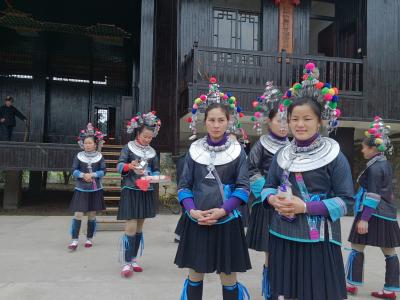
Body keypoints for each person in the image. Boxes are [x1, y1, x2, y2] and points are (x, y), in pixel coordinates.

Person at [262, 63, 353, 299]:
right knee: (285, 292)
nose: (300, 125)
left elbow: (346, 202)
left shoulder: (334, 156)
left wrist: (305, 207)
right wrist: (273, 199)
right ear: (288, 121)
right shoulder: (281, 155)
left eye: (307, 119)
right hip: (281, 234)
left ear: (319, 121)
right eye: (294, 119)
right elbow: (267, 187)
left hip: (318, 240)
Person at [176, 102, 251, 300]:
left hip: (226, 221)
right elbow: (184, 187)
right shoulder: (194, 150)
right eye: (212, 120)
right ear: (205, 122)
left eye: (221, 120)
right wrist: (192, 211)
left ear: (228, 122)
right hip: (196, 220)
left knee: (228, 275)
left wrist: (223, 210)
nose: (216, 125)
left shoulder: (238, 152)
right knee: (195, 272)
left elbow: (243, 189)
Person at [346, 116, 400, 299]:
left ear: (373, 148)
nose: (362, 150)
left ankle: (352, 284)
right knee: (387, 252)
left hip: (373, 213)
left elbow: (373, 195)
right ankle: (390, 289)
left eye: (364, 147)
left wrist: (364, 219)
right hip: (386, 213)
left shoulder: (375, 168)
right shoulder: (383, 164)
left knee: (358, 247)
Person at [247, 82, 289, 300]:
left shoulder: (294, 145)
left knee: (288, 249)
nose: (283, 125)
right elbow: (251, 170)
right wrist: (269, 193)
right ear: (269, 122)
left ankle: (285, 288)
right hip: (269, 202)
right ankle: (272, 291)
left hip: (290, 204)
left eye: (286, 121)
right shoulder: (261, 145)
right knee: (271, 251)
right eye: (279, 120)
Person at [117, 111, 161, 278]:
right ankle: (126, 262)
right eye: (145, 136)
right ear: (138, 133)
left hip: (145, 190)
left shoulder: (152, 152)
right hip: (130, 188)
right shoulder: (128, 147)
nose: (147, 140)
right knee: (131, 224)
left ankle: (134, 259)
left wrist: (151, 175)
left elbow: (157, 171)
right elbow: (119, 166)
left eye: (150, 137)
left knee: (140, 225)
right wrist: (130, 166)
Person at [68, 123, 106, 250]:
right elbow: (73, 170)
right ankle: (74, 240)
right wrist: (83, 174)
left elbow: (103, 171)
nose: (87, 145)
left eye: (90, 143)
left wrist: (93, 174)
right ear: (82, 144)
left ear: (95, 144)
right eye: (85, 143)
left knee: (92, 215)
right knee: (78, 214)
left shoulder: (100, 157)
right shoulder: (79, 156)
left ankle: (89, 238)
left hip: (95, 189)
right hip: (81, 188)